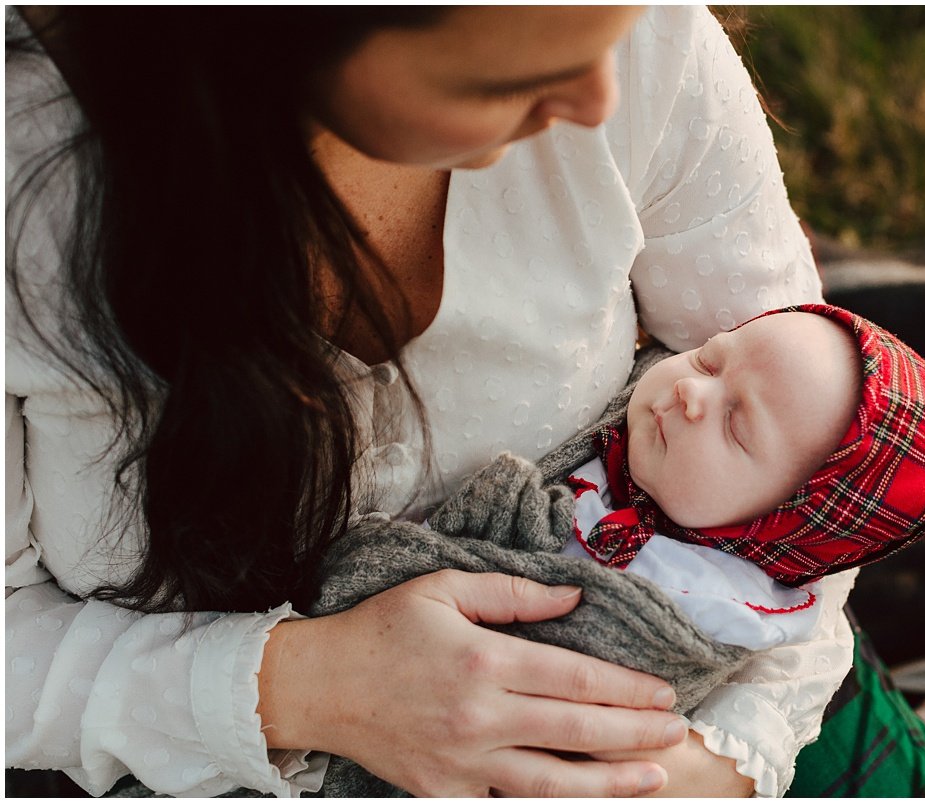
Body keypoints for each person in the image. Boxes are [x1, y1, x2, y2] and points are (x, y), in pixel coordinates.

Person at [7, 6, 850, 797]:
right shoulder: (28, 186)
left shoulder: (646, 40)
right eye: (495, 79)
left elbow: (835, 445)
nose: (601, 96)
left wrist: (707, 764)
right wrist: (304, 687)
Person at [562, 303, 925, 650]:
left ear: (775, 525)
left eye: (735, 428)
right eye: (708, 360)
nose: (691, 389)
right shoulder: (631, 403)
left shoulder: (705, 603)